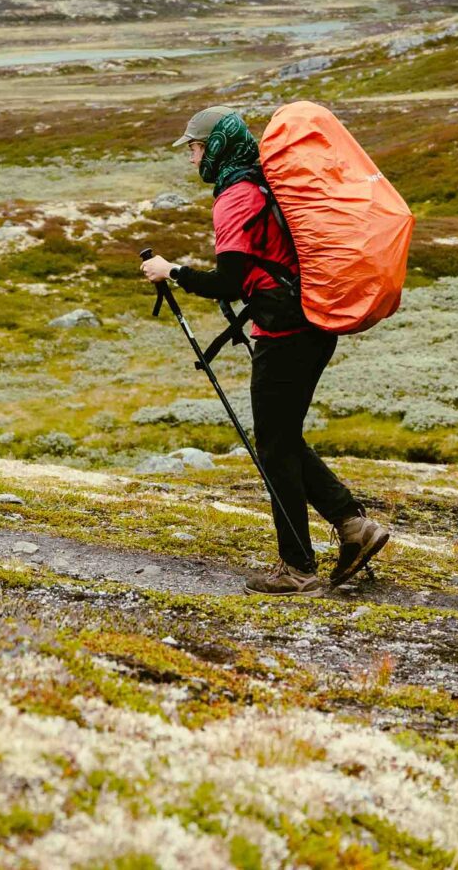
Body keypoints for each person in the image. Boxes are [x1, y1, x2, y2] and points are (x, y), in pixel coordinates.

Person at [140, 105, 390, 594]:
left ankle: (298, 568)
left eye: (194, 149)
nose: (192, 161)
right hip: (313, 325)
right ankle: (354, 527)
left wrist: (172, 273)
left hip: (286, 334)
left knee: (275, 449)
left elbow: (228, 282)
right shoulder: (263, 184)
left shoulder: (235, 197)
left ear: (214, 147)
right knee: (282, 440)